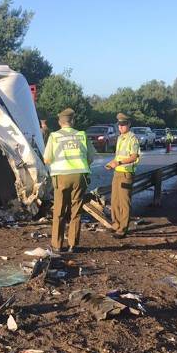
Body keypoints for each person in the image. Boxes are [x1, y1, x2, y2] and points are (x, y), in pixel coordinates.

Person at [43, 108, 94, 252]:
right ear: (73, 121)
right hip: (79, 177)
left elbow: (47, 159)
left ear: (60, 122)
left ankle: (57, 245)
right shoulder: (82, 135)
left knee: (59, 211)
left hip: (61, 177)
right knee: (76, 211)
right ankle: (72, 244)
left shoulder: (54, 136)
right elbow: (91, 158)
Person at [105, 113, 140, 239]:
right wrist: (111, 164)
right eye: (119, 125)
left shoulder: (132, 138)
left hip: (126, 173)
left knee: (124, 202)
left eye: (123, 125)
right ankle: (116, 225)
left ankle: (123, 229)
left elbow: (134, 156)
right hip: (117, 172)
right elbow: (118, 156)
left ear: (129, 124)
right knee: (115, 201)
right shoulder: (120, 138)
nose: (120, 127)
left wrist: (118, 162)